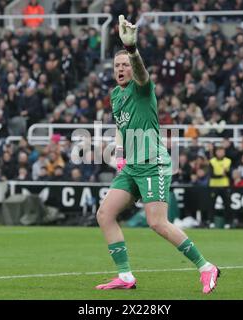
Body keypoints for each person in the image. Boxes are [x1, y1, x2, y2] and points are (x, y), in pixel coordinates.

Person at [95, 15, 220, 294]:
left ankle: (206, 266)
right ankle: (125, 276)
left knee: (157, 222)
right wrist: (119, 153)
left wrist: (132, 50)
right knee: (105, 214)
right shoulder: (116, 94)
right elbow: (120, 125)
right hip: (131, 166)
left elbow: (141, 72)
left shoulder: (143, 88)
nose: (121, 68)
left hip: (152, 164)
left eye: (124, 64)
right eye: (117, 65)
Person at [208, 145, 232, 229]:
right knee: (211, 205)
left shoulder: (228, 161)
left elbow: (230, 174)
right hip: (214, 186)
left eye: (222, 151)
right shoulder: (212, 161)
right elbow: (211, 175)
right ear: (216, 152)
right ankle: (211, 222)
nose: (220, 153)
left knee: (227, 205)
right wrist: (222, 175)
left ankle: (228, 223)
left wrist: (226, 174)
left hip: (225, 185)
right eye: (219, 151)